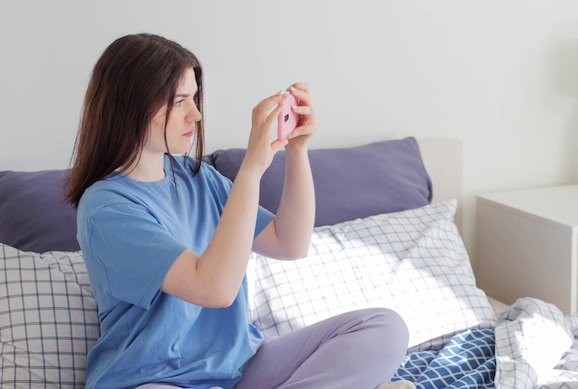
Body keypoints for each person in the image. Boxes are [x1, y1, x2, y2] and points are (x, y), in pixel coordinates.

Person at [65, 33, 411, 389]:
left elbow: (290, 243)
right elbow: (214, 288)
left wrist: (297, 150)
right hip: (154, 378)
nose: (196, 115)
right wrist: (252, 167)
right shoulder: (105, 209)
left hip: (239, 368)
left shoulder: (198, 179)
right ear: (130, 106)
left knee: (383, 328)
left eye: (195, 98)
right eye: (180, 101)